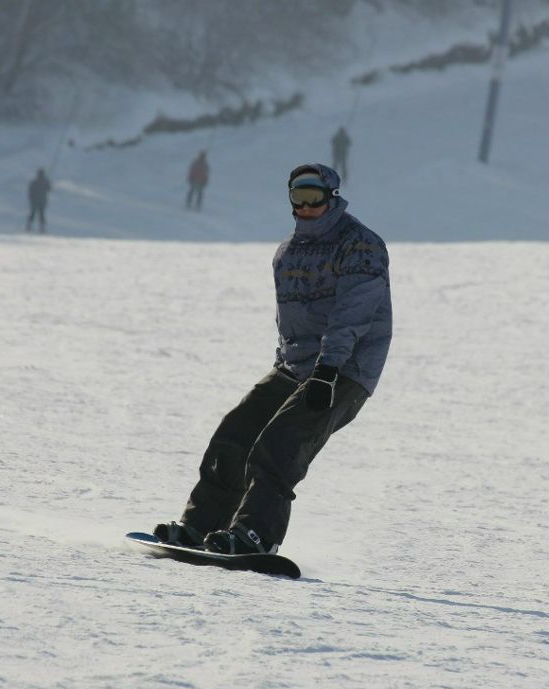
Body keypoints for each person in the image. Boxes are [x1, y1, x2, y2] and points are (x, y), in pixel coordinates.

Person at [154, 163, 391, 555]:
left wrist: (328, 370)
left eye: (314, 196)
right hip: (295, 367)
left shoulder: (359, 245)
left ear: (331, 198)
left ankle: (256, 534)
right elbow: (290, 319)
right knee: (235, 433)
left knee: (281, 443)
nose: (306, 205)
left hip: (344, 370)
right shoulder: (288, 251)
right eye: (298, 196)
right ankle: (202, 525)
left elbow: (354, 313)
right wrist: (287, 364)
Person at [27, 169, 51, 233]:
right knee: (41, 214)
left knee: (33, 213)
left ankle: (29, 226)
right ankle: (41, 228)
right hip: (41, 201)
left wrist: (31, 199)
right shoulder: (44, 182)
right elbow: (49, 189)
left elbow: (30, 191)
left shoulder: (34, 182)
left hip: (36, 201)